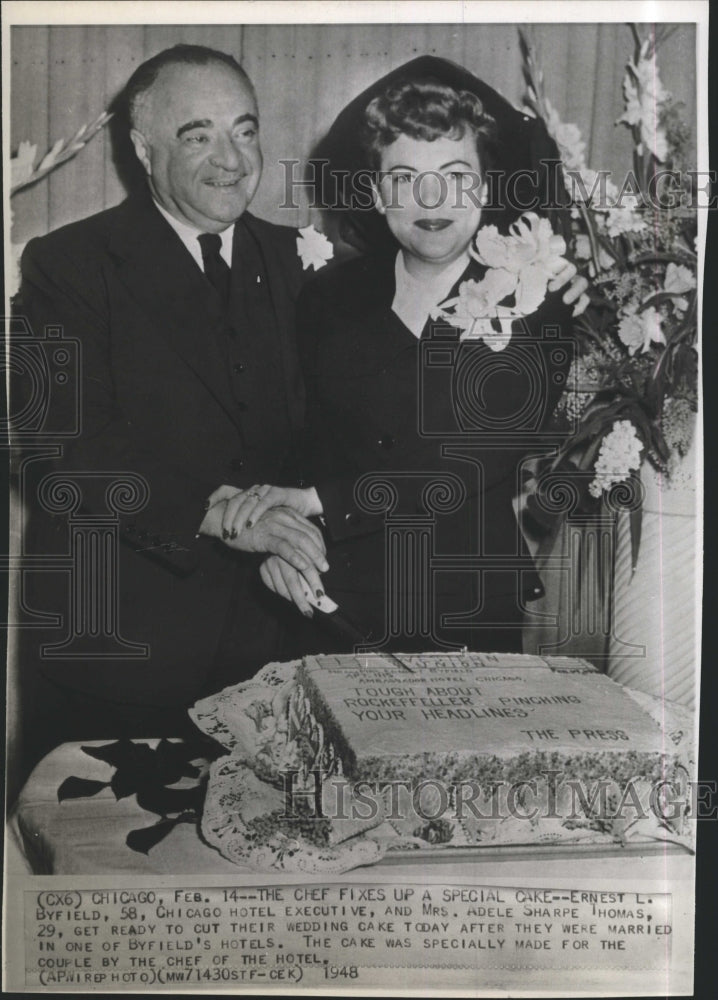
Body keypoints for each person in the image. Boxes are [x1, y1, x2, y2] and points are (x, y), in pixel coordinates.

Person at [15, 44, 326, 758]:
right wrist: (222, 516)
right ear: (142, 147)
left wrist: (298, 528)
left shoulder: (300, 263)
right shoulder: (67, 266)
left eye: (245, 130)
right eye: (199, 135)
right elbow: (63, 456)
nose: (232, 158)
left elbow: (333, 430)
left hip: (273, 653)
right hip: (123, 655)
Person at [213, 57, 585, 654]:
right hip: (332, 601)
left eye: (456, 175)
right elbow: (304, 441)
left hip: (467, 603)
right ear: (376, 191)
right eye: (405, 177)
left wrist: (315, 503)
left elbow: (469, 453)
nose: (431, 198)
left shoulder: (537, 295)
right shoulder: (329, 297)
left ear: (487, 187)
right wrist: (286, 543)